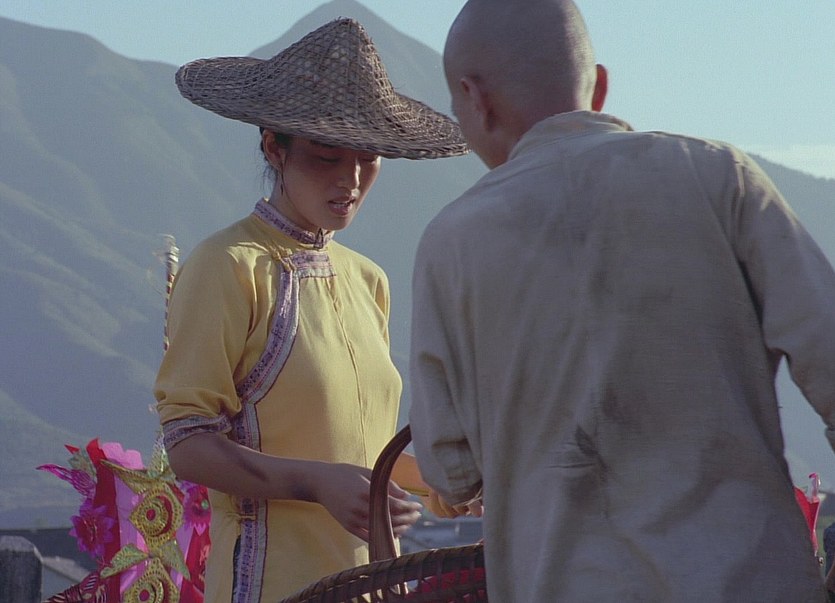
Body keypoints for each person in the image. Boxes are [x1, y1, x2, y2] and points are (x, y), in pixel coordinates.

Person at [408, 0, 835, 600]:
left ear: (474, 99)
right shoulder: (718, 176)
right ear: (600, 86)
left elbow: (450, 469)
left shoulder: (452, 241)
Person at [154, 18, 467, 602]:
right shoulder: (229, 264)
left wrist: (452, 485)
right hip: (269, 584)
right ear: (274, 147)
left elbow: (357, 454)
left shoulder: (367, 279)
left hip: (370, 582)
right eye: (327, 156)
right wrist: (313, 482)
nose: (351, 179)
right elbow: (189, 443)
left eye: (369, 158)